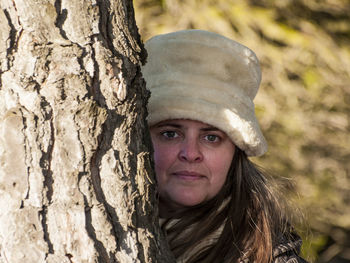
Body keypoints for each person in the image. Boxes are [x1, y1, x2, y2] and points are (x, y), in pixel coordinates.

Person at [142, 30, 308, 263]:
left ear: (235, 151)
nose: (190, 153)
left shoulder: (269, 254)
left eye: (211, 137)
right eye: (170, 134)